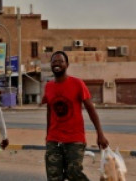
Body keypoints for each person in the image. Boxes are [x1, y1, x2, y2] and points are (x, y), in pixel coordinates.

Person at [42, 51, 109, 181]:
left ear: (67, 65)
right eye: (54, 61)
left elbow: (91, 109)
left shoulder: (77, 84)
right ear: (51, 65)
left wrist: (100, 134)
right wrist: (48, 135)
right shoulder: (48, 87)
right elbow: (49, 111)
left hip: (74, 139)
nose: (57, 64)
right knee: (53, 176)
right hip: (54, 139)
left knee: (74, 173)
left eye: (60, 61)